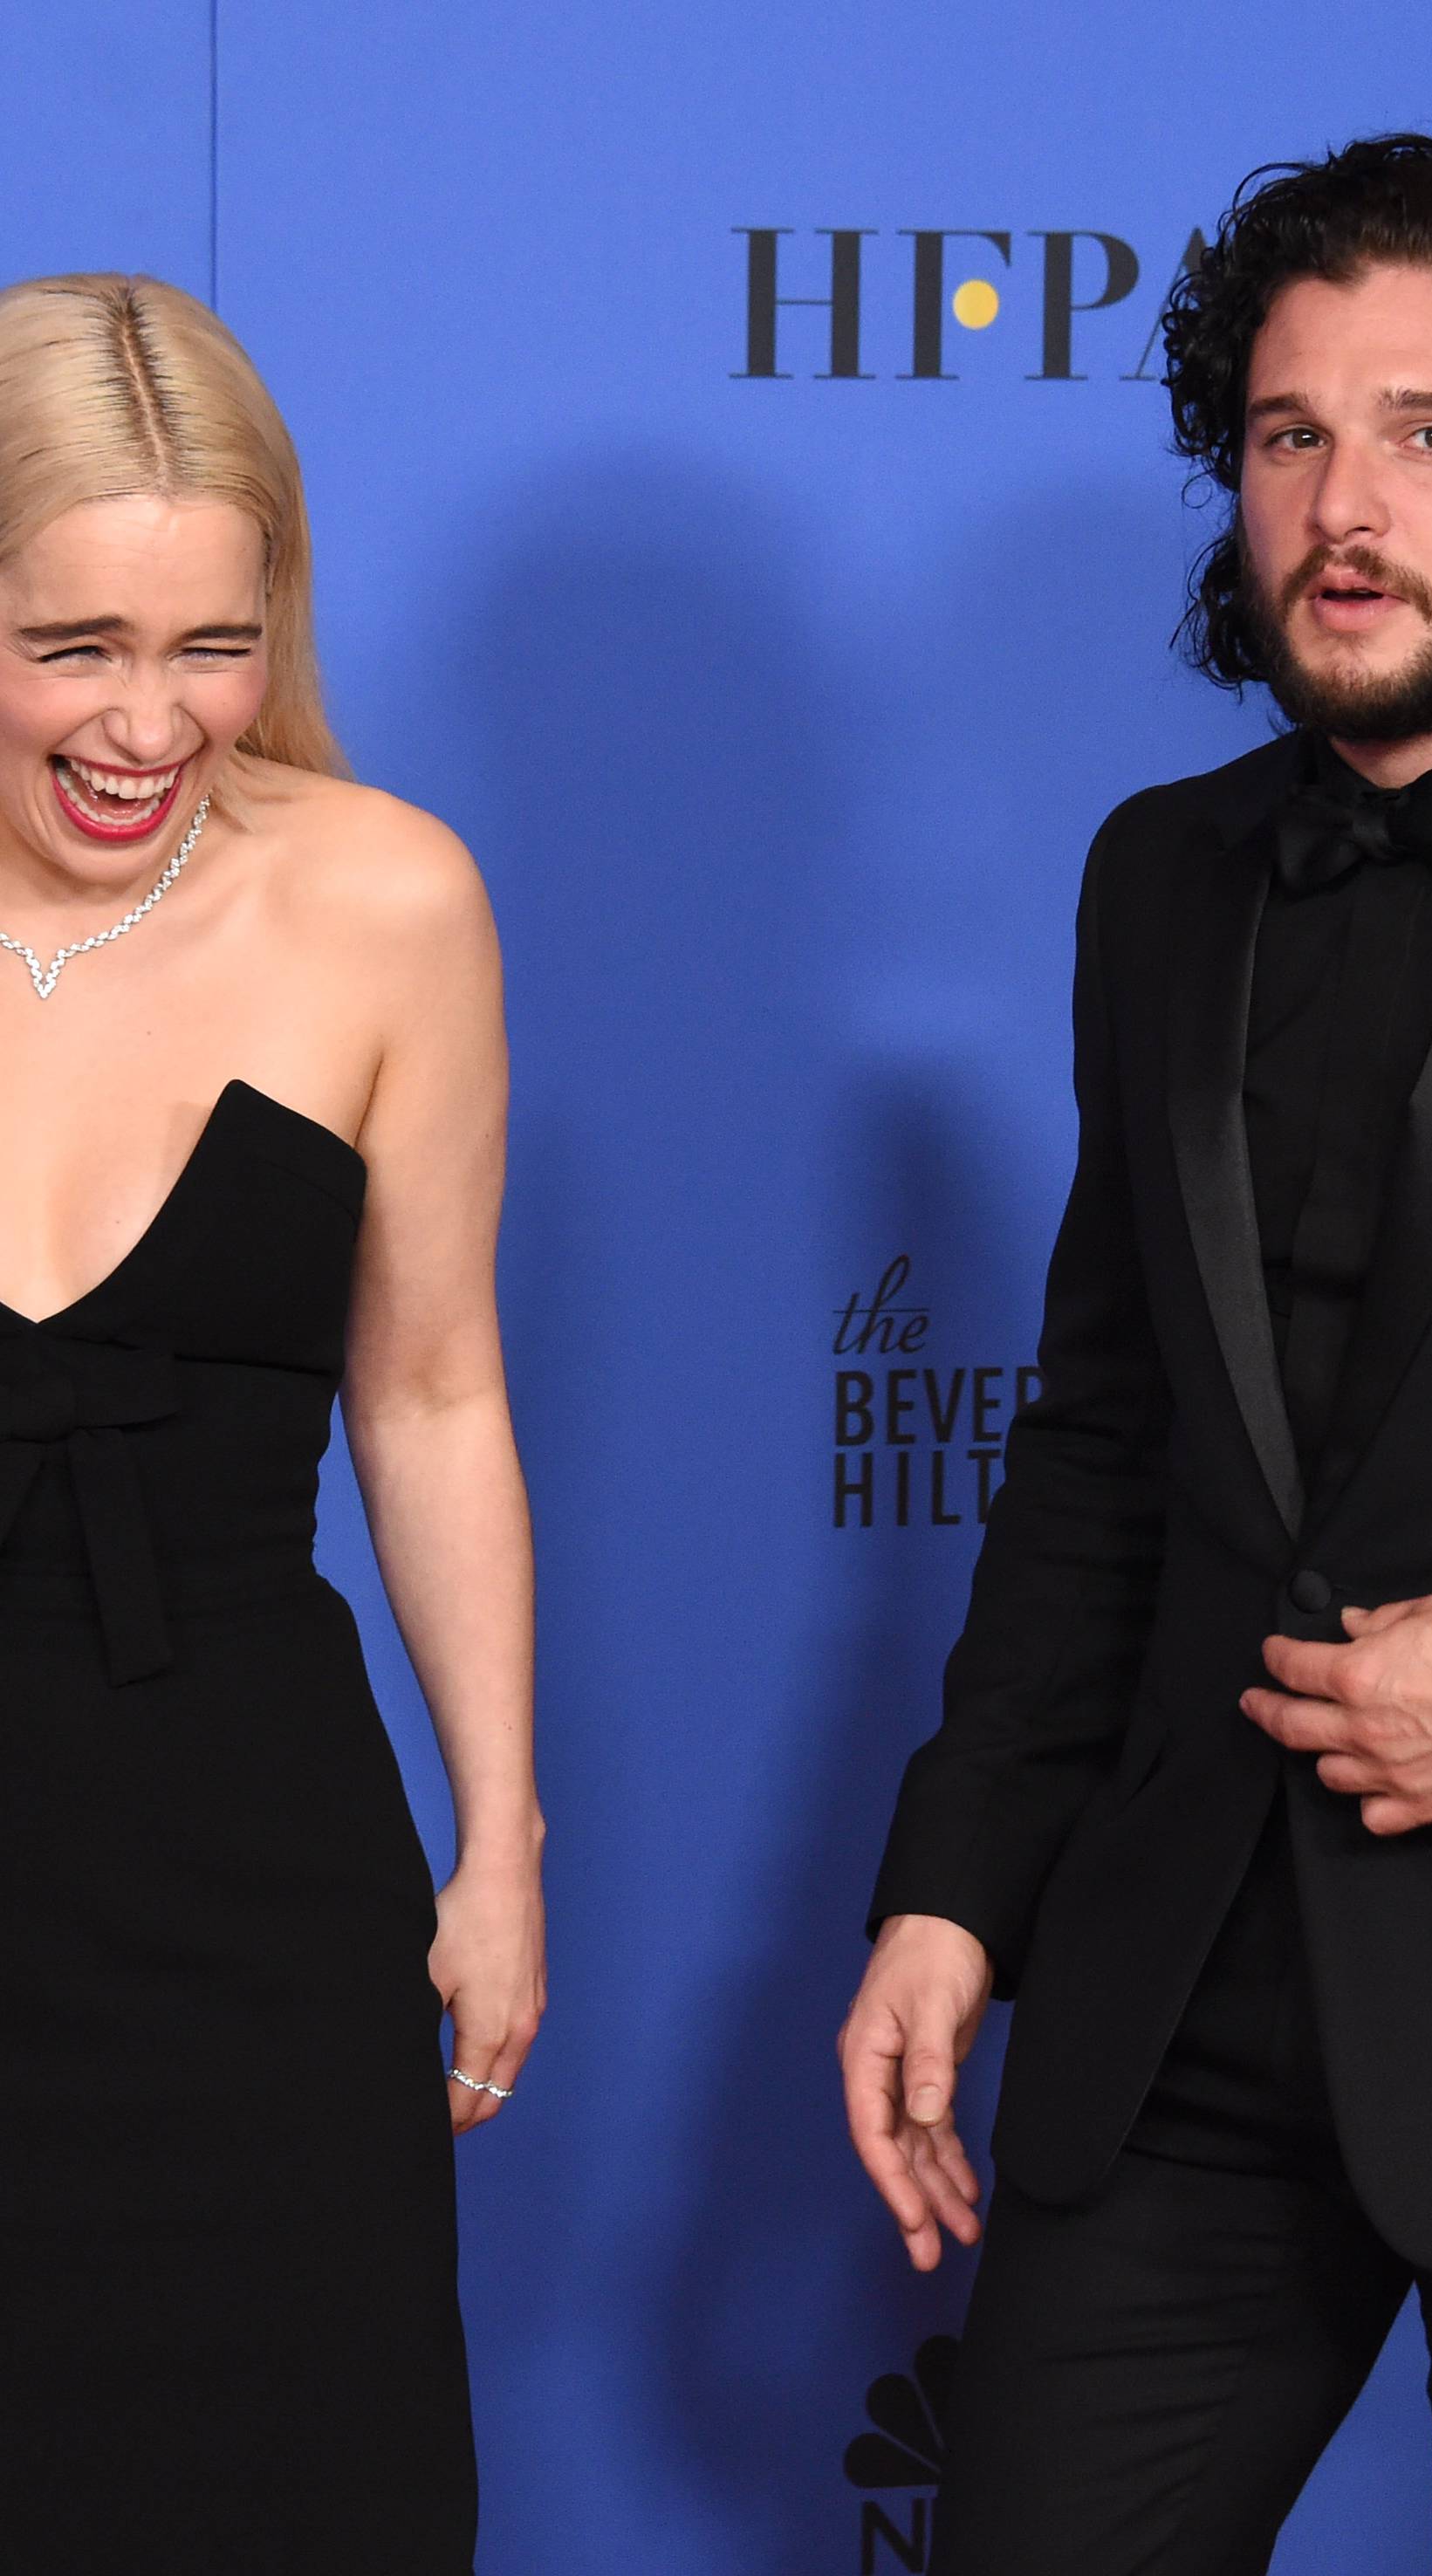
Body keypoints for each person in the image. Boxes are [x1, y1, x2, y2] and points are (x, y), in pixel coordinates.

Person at [839, 133, 1432, 2574]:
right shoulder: (1164, 874)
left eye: (1431, 434)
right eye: (1292, 434)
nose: (1345, 503)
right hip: (1190, 1991)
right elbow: (1102, 1443)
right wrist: (953, 1896)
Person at [0, 273, 543, 2573]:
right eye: (74, 649)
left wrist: (502, 1838)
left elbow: (429, 1388)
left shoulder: (384, 904)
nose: (152, 725)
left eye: (211, 644)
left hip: (241, 1893)